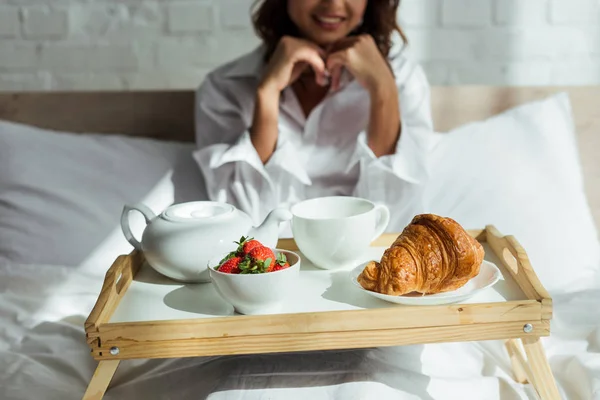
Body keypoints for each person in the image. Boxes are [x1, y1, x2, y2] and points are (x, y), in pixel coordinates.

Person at [193, 0, 435, 233]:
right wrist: (267, 93)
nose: (334, 4)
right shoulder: (224, 88)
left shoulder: (404, 81)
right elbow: (249, 223)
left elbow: (393, 225)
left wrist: (383, 90)